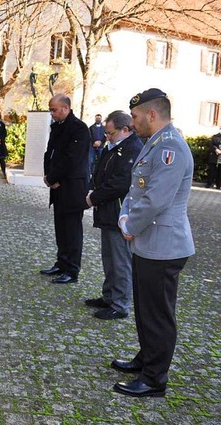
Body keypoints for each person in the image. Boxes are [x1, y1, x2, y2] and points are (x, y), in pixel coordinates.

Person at [112, 88, 195, 398]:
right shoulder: (157, 144)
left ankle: (155, 380)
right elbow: (136, 192)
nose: (132, 122)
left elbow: (156, 199)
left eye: (134, 117)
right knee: (146, 309)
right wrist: (125, 218)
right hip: (150, 244)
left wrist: (130, 224)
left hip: (164, 246)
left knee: (158, 314)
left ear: (151, 114)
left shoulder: (169, 147)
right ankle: (146, 360)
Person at [84, 111, 143, 320]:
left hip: (119, 212)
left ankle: (120, 304)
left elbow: (120, 182)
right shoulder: (118, 147)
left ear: (125, 130)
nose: (107, 137)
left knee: (120, 261)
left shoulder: (132, 149)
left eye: (110, 133)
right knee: (109, 258)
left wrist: (94, 198)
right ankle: (109, 295)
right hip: (109, 212)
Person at [39, 94, 91, 284]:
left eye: (54, 109)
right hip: (58, 184)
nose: (51, 113)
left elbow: (71, 159)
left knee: (72, 229)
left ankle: (72, 269)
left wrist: (54, 177)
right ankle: (61, 262)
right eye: (50, 109)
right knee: (60, 227)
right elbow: (49, 154)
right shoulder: (57, 128)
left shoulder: (79, 129)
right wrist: (48, 176)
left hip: (72, 186)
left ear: (66, 108)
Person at [88, 114, 106, 178]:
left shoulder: (104, 128)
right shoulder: (91, 127)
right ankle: (90, 174)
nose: (98, 119)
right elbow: (89, 136)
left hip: (101, 147)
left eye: (99, 118)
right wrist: (94, 142)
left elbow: (105, 136)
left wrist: (100, 142)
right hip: (92, 147)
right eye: (97, 118)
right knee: (91, 161)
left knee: (100, 160)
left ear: (101, 119)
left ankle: (99, 174)